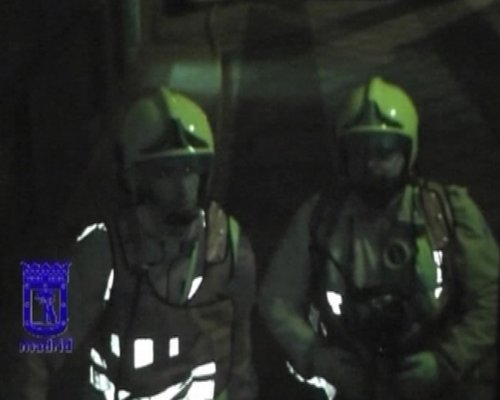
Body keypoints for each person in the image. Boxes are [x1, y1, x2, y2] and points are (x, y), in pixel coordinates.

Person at [259, 76, 499, 400]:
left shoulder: (447, 212)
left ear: (408, 152)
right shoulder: (320, 218)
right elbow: (276, 299)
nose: (371, 165)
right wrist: (319, 357)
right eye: (359, 152)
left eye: (384, 152)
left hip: (438, 381)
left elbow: (491, 294)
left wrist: (447, 361)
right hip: (355, 380)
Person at [20, 87, 257, 400]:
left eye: (189, 169)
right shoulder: (97, 246)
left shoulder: (229, 244)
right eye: (165, 173)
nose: (183, 188)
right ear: (135, 179)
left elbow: (241, 362)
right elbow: (32, 349)